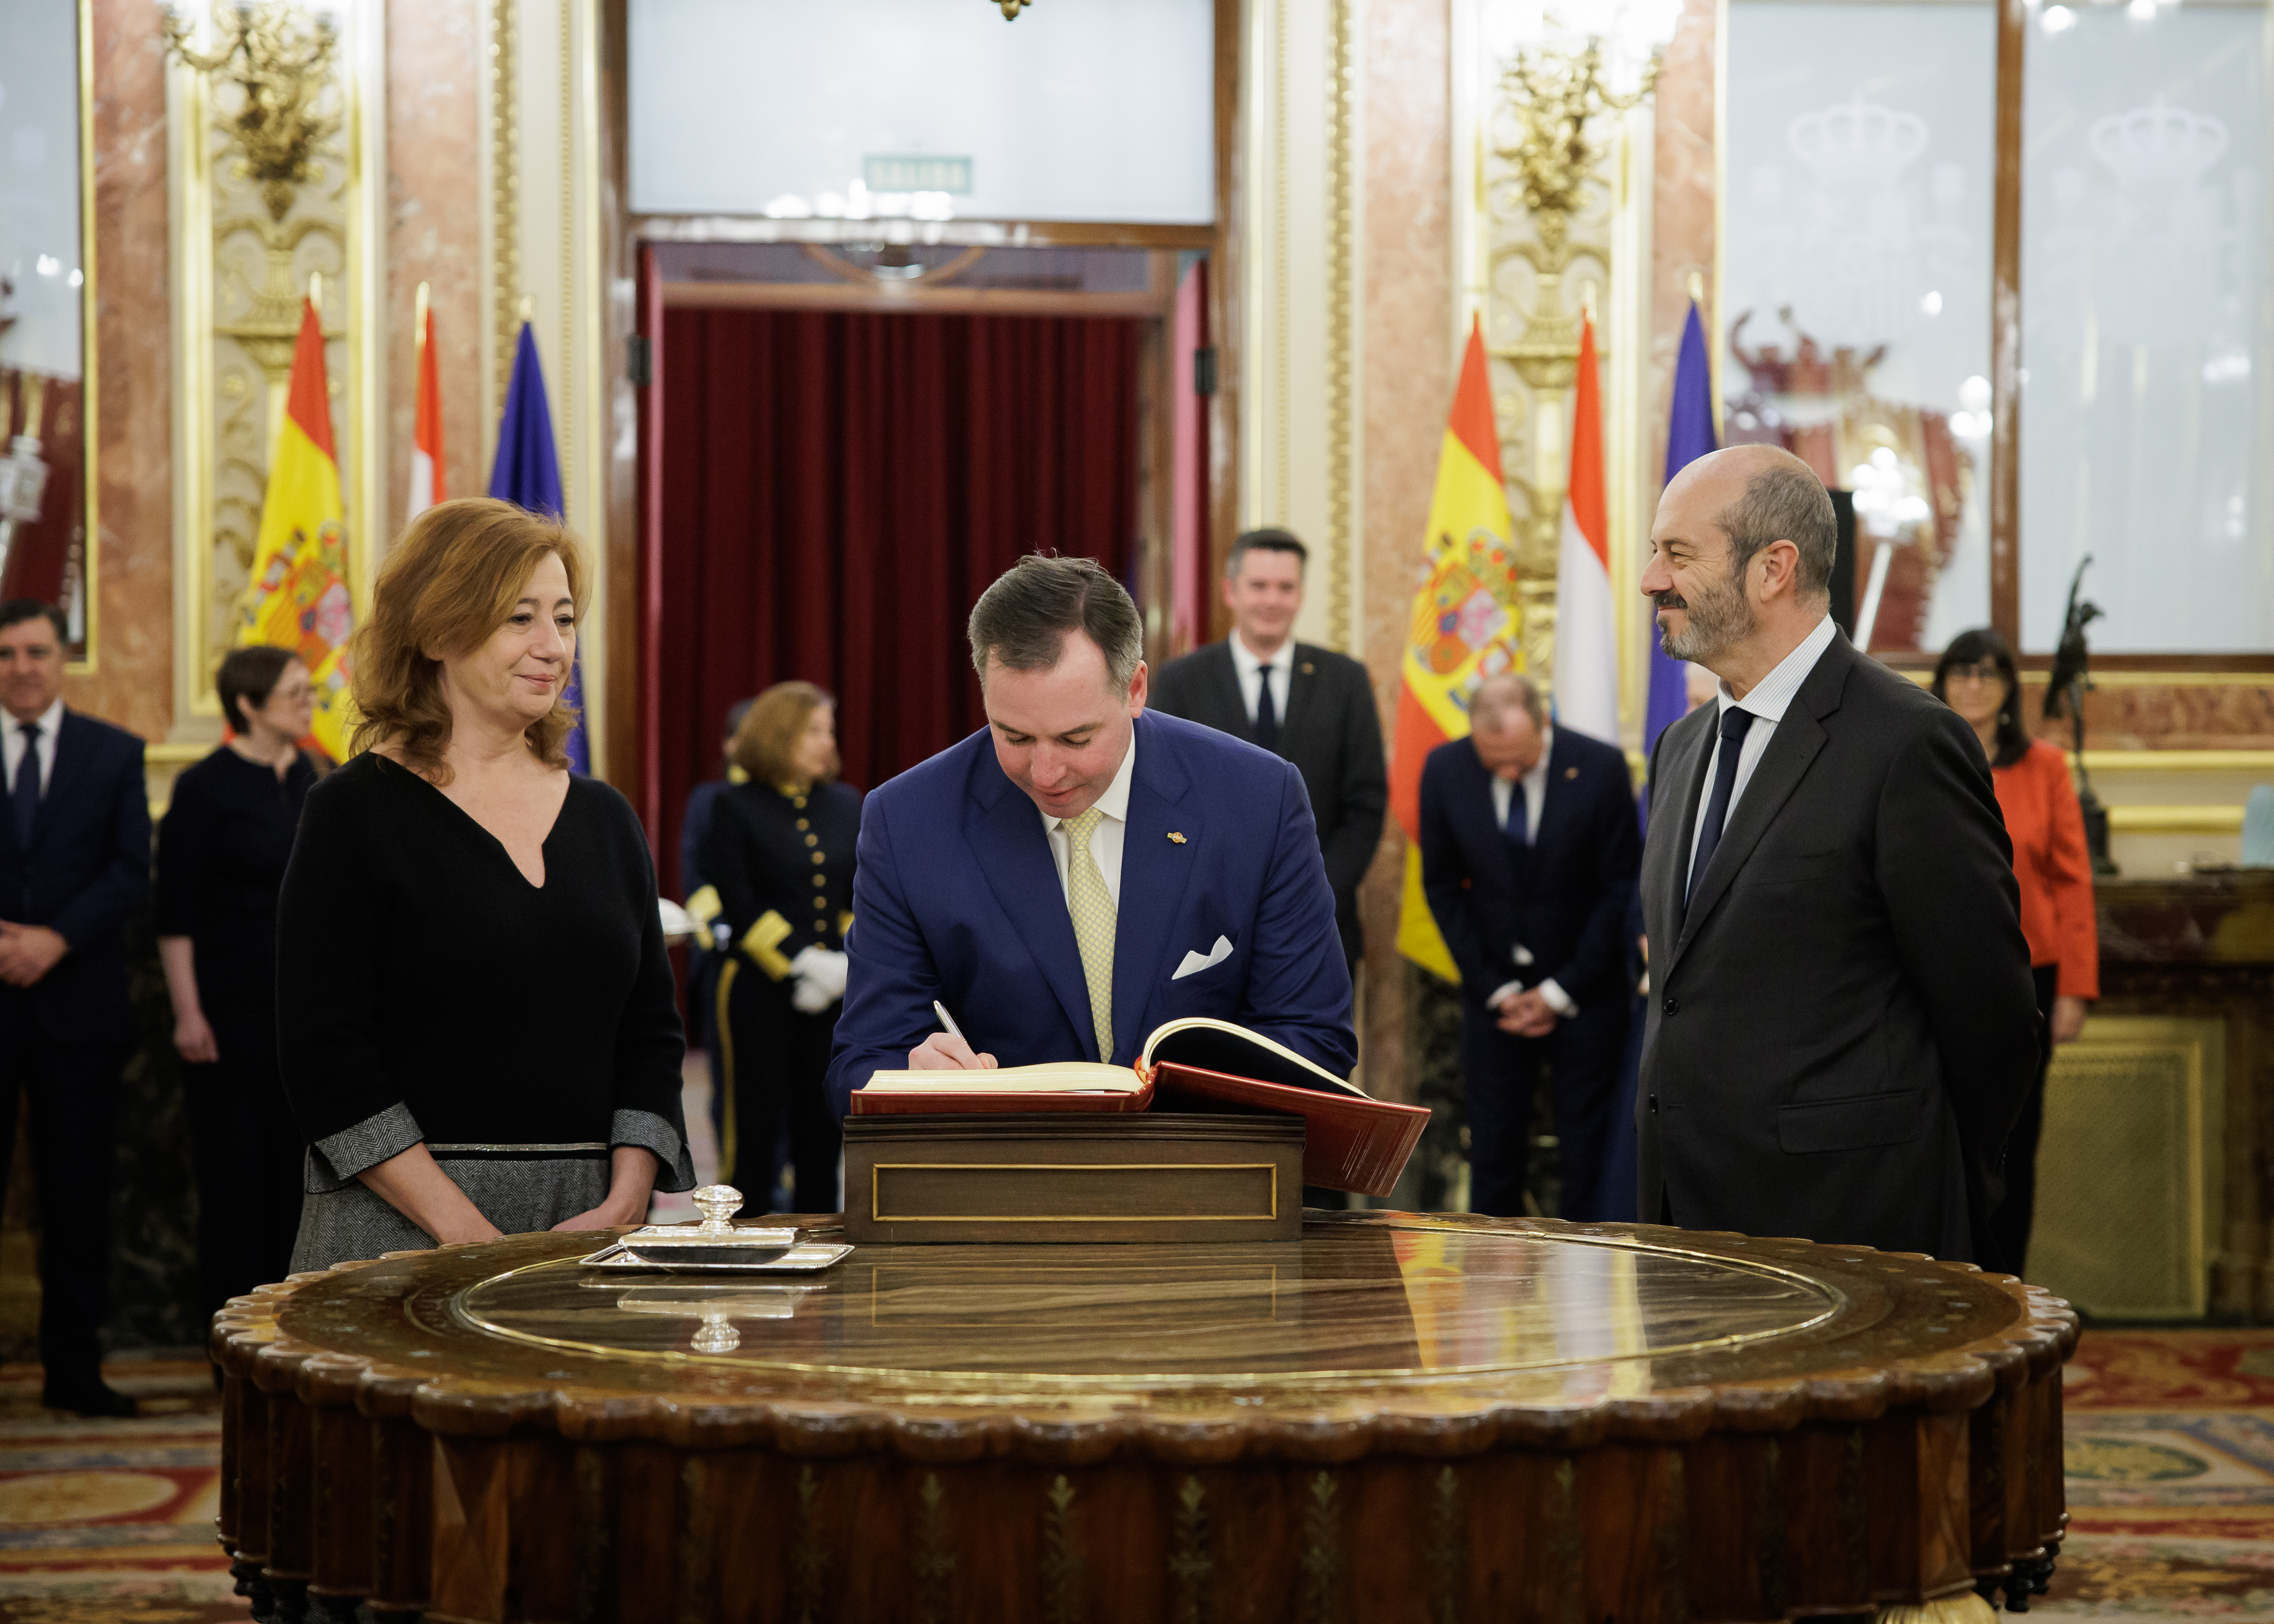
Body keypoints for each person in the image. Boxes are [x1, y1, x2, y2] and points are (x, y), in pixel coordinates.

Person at [1635, 445, 2037, 1263]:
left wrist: (1947, 1192)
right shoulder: (1680, 749)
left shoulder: (1907, 744)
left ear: (1773, 567)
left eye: (1676, 553)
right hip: (1684, 1228)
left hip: (1852, 1229)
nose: (1651, 579)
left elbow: (1990, 1014)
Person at [277, 499, 694, 1270]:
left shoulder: (606, 817)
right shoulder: (352, 811)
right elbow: (324, 1051)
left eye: (564, 619)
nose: (552, 646)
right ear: (438, 632)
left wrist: (627, 1197)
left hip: (588, 1229)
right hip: (396, 1230)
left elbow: (652, 1030)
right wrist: (464, 1231)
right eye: (519, 618)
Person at [825, 554, 1354, 1115]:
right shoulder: (908, 821)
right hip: (998, 1180)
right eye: (1014, 737)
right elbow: (859, 1063)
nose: (1045, 773)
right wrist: (913, 1076)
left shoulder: (1256, 799)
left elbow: (1314, 1041)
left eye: (1076, 738)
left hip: (1198, 1181)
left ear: (1135, 689)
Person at [0, 599, 149, 1417]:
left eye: (36, 651)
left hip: (78, 1007)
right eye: (7, 653)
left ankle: (74, 1372)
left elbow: (132, 870)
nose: (22, 666)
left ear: (61, 659)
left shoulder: (113, 753)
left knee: (78, 1196)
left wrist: (55, 938)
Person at [1418, 672, 1639, 1220]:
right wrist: (1495, 988)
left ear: (1545, 724)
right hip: (1493, 996)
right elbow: (1442, 888)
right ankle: (1492, 1295)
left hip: (1586, 993)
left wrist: (1560, 990)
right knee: (1492, 1153)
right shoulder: (1445, 769)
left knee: (1587, 1154)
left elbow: (1620, 890)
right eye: (1495, 762)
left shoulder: (1601, 767)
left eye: (1519, 758)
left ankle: (1587, 1286)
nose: (1509, 772)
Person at [155, 646, 320, 1326]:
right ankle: (234, 1343)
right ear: (248, 705)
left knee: (296, 1185)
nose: (311, 701)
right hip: (225, 1015)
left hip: (303, 1019)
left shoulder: (317, 777)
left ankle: (289, 1331)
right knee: (233, 1185)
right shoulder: (204, 788)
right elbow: (174, 913)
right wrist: (188, 1012)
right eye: (295, 692)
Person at [1933, 627, 2097, 1274]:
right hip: (1939, 979)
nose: (1973, 684)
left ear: (2007, 689)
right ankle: (1949, 1282)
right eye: (1961, 672)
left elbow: (2073, 879)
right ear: (1942, 681)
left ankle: (2008, 1290)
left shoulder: (2047, 767)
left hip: (2033, 980)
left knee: (2014, 1142)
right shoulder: (1921, 754)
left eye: (1988, 673)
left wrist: (2077, 990)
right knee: (1943, 1140)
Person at [1148, 529, 1388, 973]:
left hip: (1320, 925)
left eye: (1286, 587)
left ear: (1301, 595)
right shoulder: (1182, 680)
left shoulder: (1345, 680)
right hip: (1205, 930)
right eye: (1258, 586)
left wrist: (1312, 892)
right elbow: (1163, 796)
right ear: (1230, 591)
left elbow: (1366, 805)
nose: (1271, 600)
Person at [698, 683, 856, 1213]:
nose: (825, 742)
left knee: (821, 1124)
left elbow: (855, 895)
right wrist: (803, 963)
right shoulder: (734, 806)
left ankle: (819, 1236)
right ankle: (740, 1236)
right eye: (813, 730)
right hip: (756, 991)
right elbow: (740, 903)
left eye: (828, 730)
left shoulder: (845, 804)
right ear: (778, 735)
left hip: (833, 989)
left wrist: (843, 962)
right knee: (753, 1125)